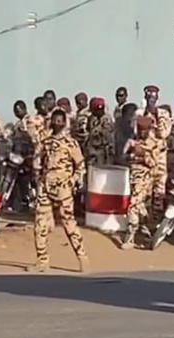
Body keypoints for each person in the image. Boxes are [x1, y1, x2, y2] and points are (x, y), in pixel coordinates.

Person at [30, 109, 89, 272]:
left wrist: (73, 181)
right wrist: (37, 178)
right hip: (45, 186)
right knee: (40, 225)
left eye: (59, 121)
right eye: (54, 121)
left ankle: (82, 256)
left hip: (63, 188)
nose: (56, 124)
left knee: (68, 223)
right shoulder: (46, 142)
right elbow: (38, 161)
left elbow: (81, 166)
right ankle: (42, 261)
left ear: (64, 123)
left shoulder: (71, 143)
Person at [121, 115, 160, 250]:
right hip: (134, 178)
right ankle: (149, 231)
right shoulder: (133, 140)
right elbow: (123, 157)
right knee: (141, 207)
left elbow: (155, 163)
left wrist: (143, 155)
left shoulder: (154, 143)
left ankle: (130, 236)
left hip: (145, 179)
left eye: (145, 130)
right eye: (140, 129)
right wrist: (130, 152)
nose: (142, 132)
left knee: (133, 205)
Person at [139, 85, 172, 223]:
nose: (151, 100)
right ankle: (145, 223)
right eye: (149, 97)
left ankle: (156, 223)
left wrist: (155, 118)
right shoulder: (140, 113)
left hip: (160, 159)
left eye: (153, 97)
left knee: (158, 193)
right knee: (144, 193)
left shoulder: (163, 114)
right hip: (145, 159)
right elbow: (138, 135)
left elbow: (163, 133)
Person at [85, 97, 114, 166]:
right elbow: (88, 130)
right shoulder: (91, 118)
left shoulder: (107, 119)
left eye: (101, 109)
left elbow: (107, 134)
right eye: (97, 109)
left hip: (103, 149)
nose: (100, 111)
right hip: (92, 149)